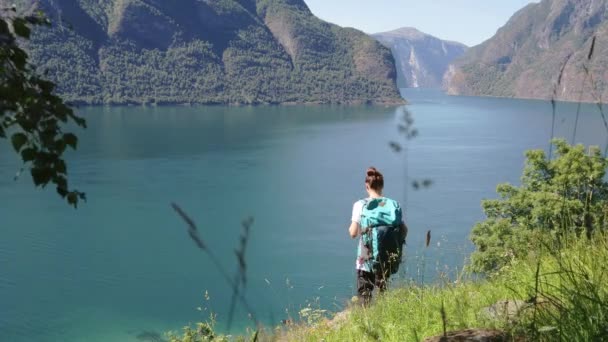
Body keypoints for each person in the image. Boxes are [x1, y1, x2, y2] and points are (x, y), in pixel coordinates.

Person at [348, 167, 407, 305]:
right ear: (382, 186)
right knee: (383, 291)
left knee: (364, 295)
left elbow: (353, 233)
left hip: (366, 258)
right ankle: (384, 315)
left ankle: (366, 321)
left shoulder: (360, 205)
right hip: (386, 257)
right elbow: (404, 230)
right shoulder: (393, 205)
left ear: (366, 186)